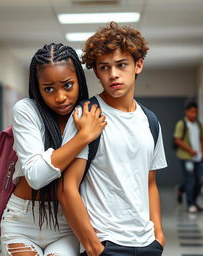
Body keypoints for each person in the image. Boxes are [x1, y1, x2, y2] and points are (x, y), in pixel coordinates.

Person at [57, 22, 167, 256]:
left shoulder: (150, 120)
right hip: (106, 243)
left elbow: (149, 182)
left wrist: (158, 235)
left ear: (138, 65)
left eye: (121, 65)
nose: (113, 74)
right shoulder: (87, 115)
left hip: (147, 243)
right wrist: (93, 246)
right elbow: (67, 188)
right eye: (104, 67)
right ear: (96, 71)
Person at [0, 43, 107, 256]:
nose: (59, 97)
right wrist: (84, 137)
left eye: (67, 85)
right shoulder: (26, 110)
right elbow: (36, 176)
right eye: (48, 89)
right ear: (37, 87)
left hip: (66, 223)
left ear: (79, 80)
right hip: (21, 221)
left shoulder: (87, 115)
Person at [174, 101, 203, 213]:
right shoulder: (182, 124)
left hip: (198, 157)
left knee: (199, 180)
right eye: (191, 112)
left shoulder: (199, 124)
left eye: (195, 112)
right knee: (190, 180)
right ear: (186, 112)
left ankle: (182, 190)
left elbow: (201, 138)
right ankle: (190, 204)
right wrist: (190, 150)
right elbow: (177, 139)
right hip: (186, 157)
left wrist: (201, 151)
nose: (194, 114)